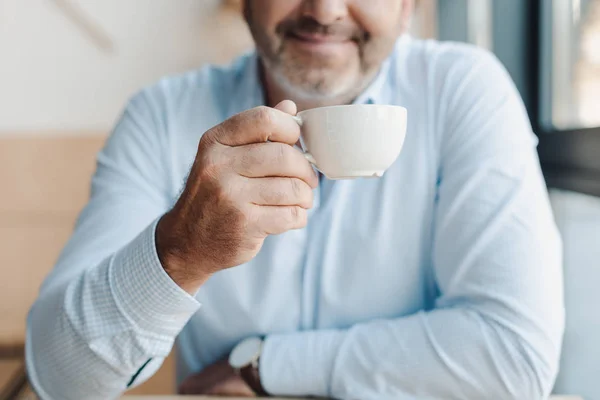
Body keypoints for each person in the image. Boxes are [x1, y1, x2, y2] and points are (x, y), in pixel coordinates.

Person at [26, 0, 565, 399]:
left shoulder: (465, 92)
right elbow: (59, 377)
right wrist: (178, 254)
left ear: (409, 6)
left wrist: (265, 365)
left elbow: (514, 359)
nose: (326, 10)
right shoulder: (161, 116)